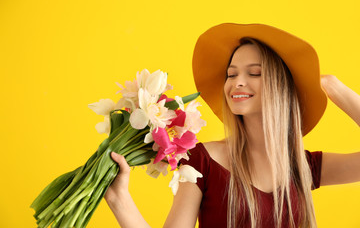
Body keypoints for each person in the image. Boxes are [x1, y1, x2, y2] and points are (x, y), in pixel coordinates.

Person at [104, 23, 360, 228]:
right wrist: (119, 199)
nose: (237, 82)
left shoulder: (302, 167)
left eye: (255, 73)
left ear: (280, 87)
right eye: (231, 74)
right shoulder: (201, 161)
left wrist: (332, 86)